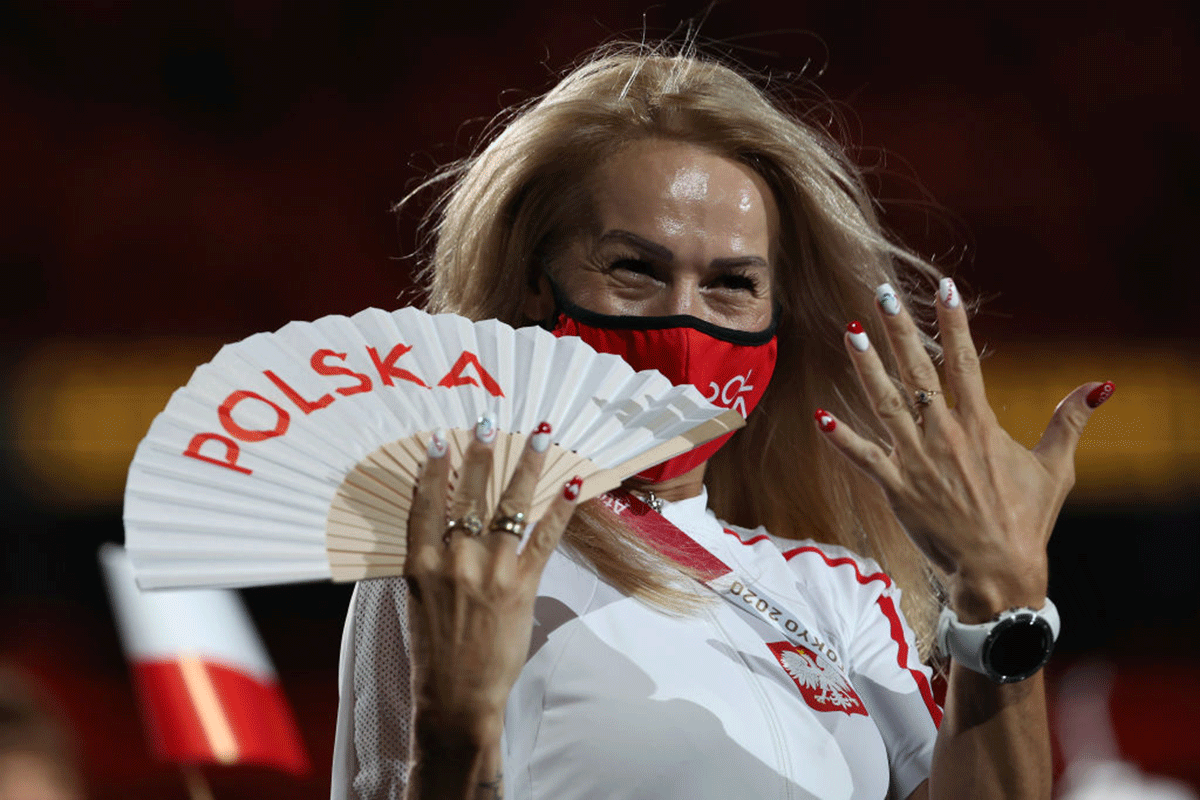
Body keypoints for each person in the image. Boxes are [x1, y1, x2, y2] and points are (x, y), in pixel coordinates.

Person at [331, 44, 1113, 800]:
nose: (683, 319)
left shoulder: (840, 595)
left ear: (777, 318)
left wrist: (1001, 594)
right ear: (538, 288)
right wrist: (453, 739)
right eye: (635, 269)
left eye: (732, 283)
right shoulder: (454, 549)